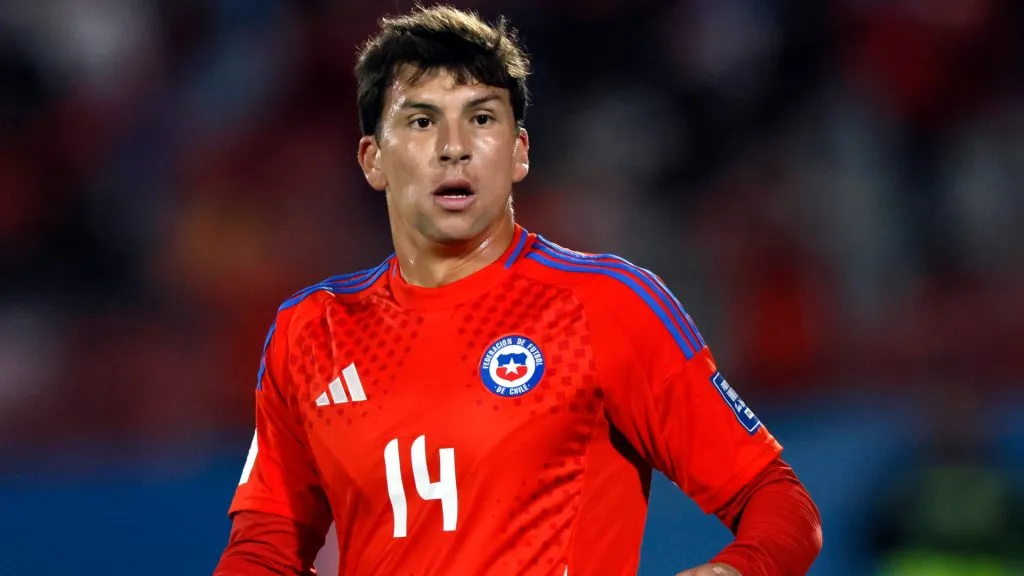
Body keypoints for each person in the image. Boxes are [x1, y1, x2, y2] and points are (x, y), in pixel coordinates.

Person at [214, 5, 822, 575]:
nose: (455, 148)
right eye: (422, 121)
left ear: (518, 152)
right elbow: (267, 545)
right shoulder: (311, 330)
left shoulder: (606, 304)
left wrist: (731, 571)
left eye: (481, 118)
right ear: (374, 160)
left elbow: (777, 499)